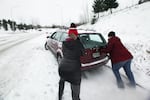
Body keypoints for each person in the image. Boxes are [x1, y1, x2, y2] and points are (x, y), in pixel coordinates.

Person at [58, 23, 84, 100]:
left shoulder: (64, 43)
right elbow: (82, 53)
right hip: (74, 71)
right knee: (75, 91)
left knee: (62, 82)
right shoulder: (78, 44)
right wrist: (78, 40)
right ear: (76, 35)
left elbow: (65, 52)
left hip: (62, 68)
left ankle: (60, 96)